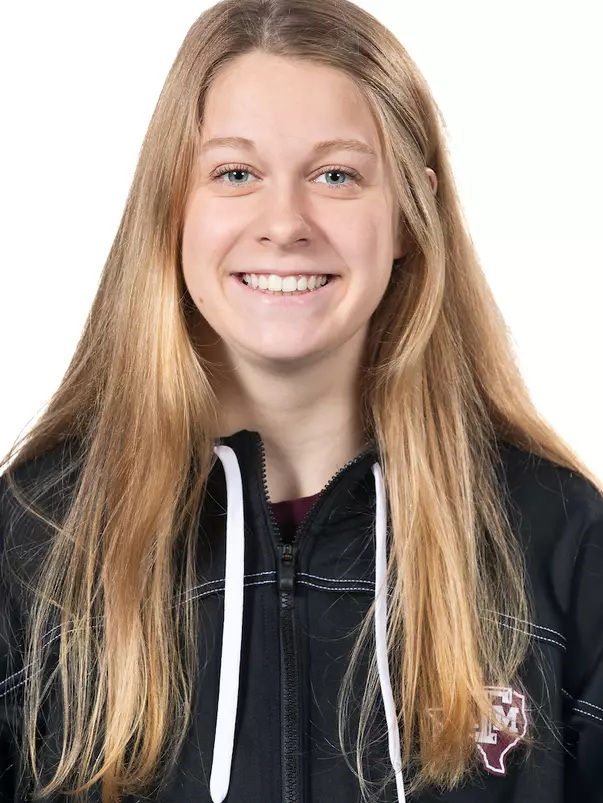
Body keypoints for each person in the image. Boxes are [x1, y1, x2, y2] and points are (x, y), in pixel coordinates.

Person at [1, 0, 602, 801]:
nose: (284, 223)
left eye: (336, 175)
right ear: (172, 205)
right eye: (235, 174)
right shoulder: (35, 541)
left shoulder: (556, 537)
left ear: (407, 216)